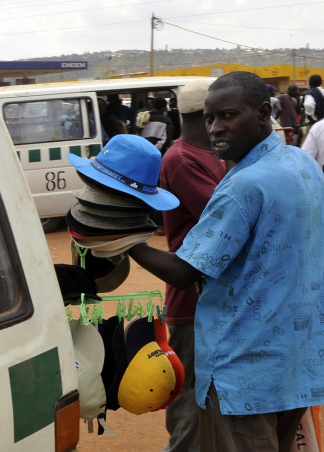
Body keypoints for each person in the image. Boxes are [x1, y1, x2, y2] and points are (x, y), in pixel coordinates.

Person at [128, 71, 324, 452]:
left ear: (264, 112)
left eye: (228, 116)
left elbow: (185, 273)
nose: (216, 128)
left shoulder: (243, 185)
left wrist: (121, 242)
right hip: (296, 360)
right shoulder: (303, 164)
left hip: (243, 370)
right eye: (209, 117)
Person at [158, 78, 225, 452]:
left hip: (209, 298)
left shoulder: (210, 154)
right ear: (206, 113)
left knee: (208, 404)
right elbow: (227, 218)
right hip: (191, 302)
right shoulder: (182, 158)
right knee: (190, 412)